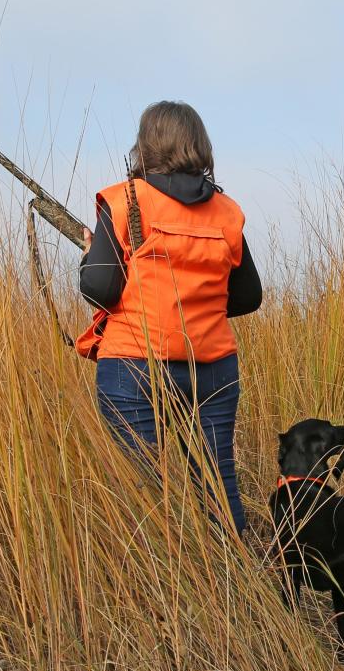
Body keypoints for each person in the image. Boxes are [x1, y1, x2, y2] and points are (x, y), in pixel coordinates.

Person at [78, 101, 262, 534]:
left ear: (144, 146)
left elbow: (100, 288)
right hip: (213, 367)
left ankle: (158, 591)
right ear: (200, 146)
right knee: (218, 483)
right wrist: (200, 301)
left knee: (143, 491)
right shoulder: (226, 210)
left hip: (132, 366)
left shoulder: (124, 201)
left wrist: (90, 257)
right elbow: (249, 295)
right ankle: (236, 583)